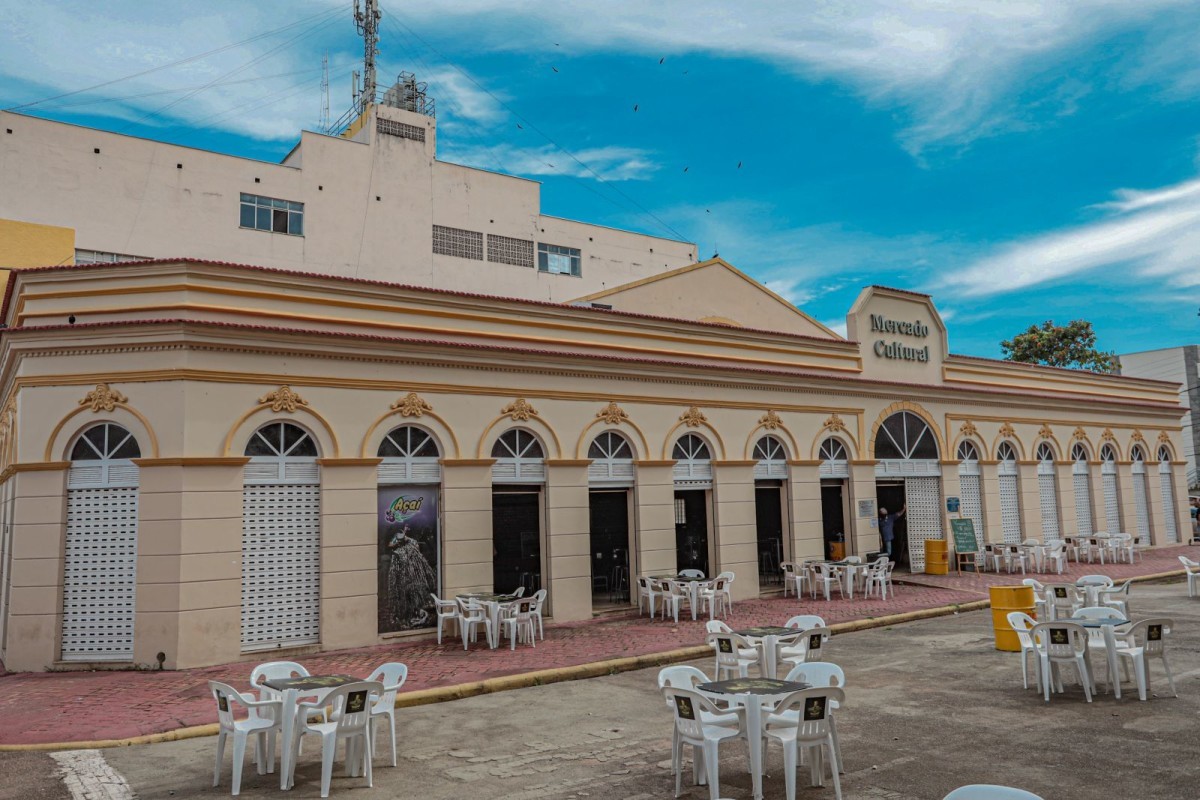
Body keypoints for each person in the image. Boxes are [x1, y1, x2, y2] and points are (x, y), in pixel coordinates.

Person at [384, 524, 438, 631]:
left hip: (412, 574)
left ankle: (415, 613)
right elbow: (390, 545)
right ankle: (406, 615)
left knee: (414, 595)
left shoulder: (412, 542)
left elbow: (419, 558)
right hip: (402, 575)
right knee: (404, 596)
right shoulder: (397, 547)